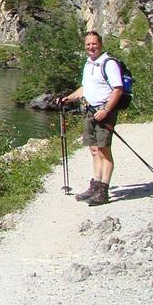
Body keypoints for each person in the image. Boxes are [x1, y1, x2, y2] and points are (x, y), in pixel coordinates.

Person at [58, 31, 124, 205]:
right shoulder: (89, 64)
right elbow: (85, 88)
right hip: (89, 111)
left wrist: (107, 110)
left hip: (103, 111)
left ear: (100, 44)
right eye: (88, 44)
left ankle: (103, 190)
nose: (91, 47)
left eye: (94, 44)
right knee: (94, 150)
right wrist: (68, 98)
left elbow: (118, 89)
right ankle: (95, 185)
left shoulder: (108, 64)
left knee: (104, 150)